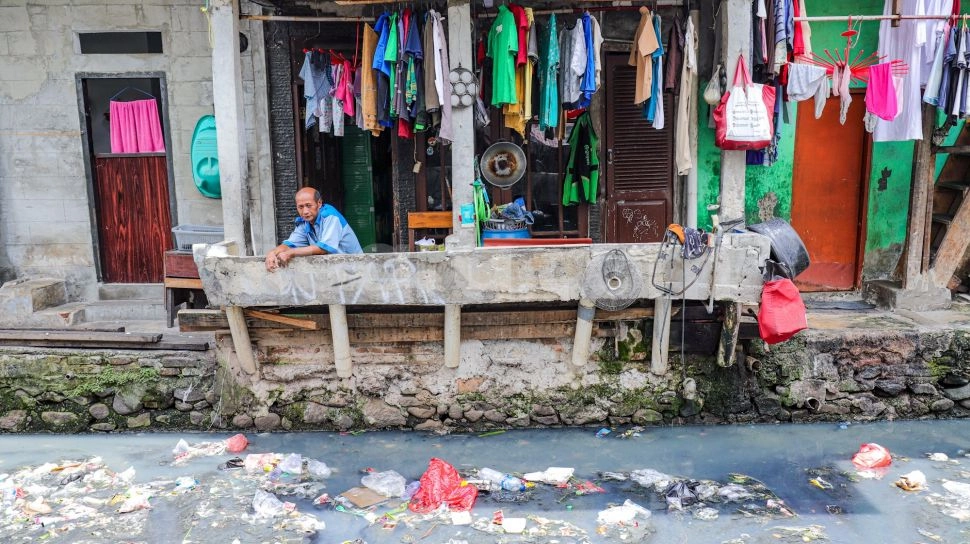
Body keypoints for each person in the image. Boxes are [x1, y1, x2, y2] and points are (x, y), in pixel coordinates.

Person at [265, 187, 363, 272]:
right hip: (334, 270)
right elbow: (289, 244)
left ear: (319, 203)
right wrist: (272, 253)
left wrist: (291, 253)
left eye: (308, 205)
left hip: (356, 268)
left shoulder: (330, 216)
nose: (305, 211)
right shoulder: (304, 222)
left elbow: (323, 248)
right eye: (301, 207)